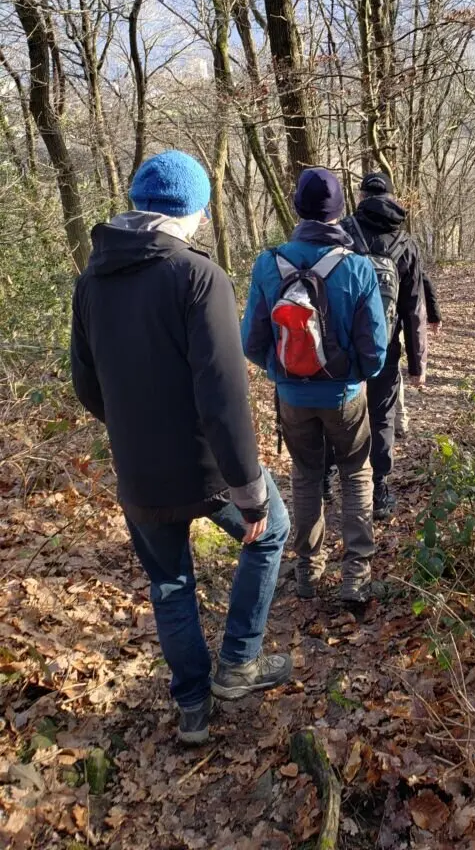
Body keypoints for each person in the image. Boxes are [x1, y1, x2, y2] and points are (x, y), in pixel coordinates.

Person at [70, 150, 291, 746]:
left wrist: (135, 430)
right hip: (207, 466)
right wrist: (250, 492)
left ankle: (192, 705)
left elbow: (87, 386)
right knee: (271, 530)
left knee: (170, 582)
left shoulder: (92, 279)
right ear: (191, 211)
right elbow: (223, 396)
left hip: (138, 470)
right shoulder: (198, 275)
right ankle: (239, 662)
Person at [242, 168, 388, 604]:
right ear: (340, 212)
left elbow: (251, 342)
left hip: (291, 398)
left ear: (297, 209)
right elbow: (376, 351)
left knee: (306, 475)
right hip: (345, 396)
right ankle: (355, 577)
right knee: (356, 472)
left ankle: (308, 571)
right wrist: (351, 375)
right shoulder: (358, 268)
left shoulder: (269, 264)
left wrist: (283, 372)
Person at [341, 172, 427, 519]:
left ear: (361, 196)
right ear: (392, 198)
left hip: (342, 344)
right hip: (386, 345)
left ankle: (333, 476)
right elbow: (413, 308)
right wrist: (417, 363)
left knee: (340, 410)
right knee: (381, 415)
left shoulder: (343, 232)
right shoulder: (405, 242)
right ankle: (379, 488)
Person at [395, 273, 441, 438]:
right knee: (394, 370)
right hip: (397, 322)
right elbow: (424, 282)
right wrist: (435, 316)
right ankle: (399, 421)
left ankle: (391, 420)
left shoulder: (362, 249)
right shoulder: (404, 251)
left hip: (371, 323)